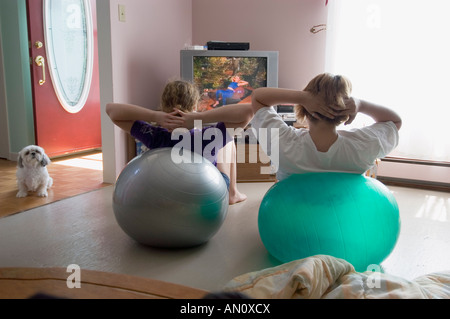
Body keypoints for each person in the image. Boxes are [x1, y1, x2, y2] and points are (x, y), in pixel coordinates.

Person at [106, 80, 252, 204]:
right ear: (195, 105)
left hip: (170, 193)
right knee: (228, 140)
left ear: (163, 106)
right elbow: (249, 111)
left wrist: (154, 116)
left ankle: (233, 193)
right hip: (209, 193)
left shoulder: (155, 135)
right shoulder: (209, 135)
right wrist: (199, 118)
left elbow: (111, 110)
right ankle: (233, 194)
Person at [250, 73, 402, 181]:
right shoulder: (364, 145)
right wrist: (361, 104)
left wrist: (302, 97)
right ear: (346, 113)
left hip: (295, 213)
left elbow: (258, 97)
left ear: (305, 109)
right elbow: (395, 121)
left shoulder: (283, 142)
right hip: (341, 213)